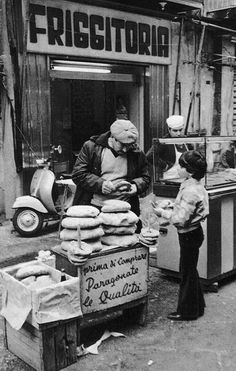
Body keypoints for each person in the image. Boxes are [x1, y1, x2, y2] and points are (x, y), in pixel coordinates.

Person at [152, 150, 209, 321]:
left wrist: (162, 212)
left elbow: (180, 220)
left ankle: (187, 311)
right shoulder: (193, 184)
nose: (178, 168)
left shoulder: (190, 191)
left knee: (186, 273)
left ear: (190, 171)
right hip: (194, 233)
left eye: (181, 166)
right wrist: (171, 204)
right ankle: (198, 306)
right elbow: (185, 207)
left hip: (188, 235)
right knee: (190, 270)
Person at [72, 119, 150, 231]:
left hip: (125, 208)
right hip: (96, 207)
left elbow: (146, 177)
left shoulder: (136, 153)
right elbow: (78, 174)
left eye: (129, 145)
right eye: (122, 144)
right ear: (112, 137)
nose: (125, 149)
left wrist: (136, 186)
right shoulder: (91, 147)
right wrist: (100, 184)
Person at [146, 115, 189, 179]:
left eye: (180, 130)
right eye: (175, 131)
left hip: (186, 177)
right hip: (170, 177)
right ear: (169, 129)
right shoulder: (164, 141)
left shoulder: (186, 140)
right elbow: (150, 155)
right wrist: (165, 166)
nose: (178, 133)